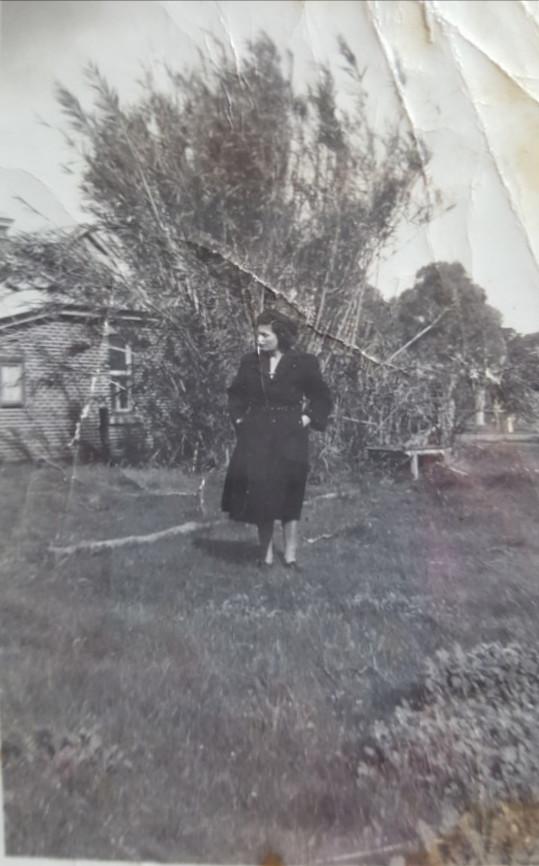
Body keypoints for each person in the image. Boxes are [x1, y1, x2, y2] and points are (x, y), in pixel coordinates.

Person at [221, 310, 333, 569]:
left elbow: (322, 397)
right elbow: (235, 396)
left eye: (264, 335)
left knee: (290, 495)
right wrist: (239, 421)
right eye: (257, 334)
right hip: (258, 437)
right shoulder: (250, 362)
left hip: (291, 437)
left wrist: (306, 419)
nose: (258, 340)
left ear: (280, 336)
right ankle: (266, 556)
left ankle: (291, 557)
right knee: (262, 495)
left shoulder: (304, 362)